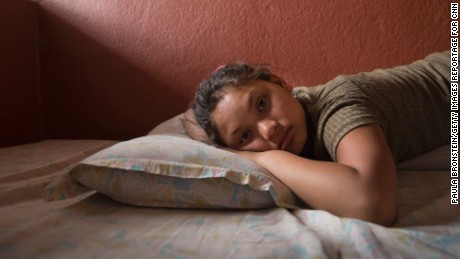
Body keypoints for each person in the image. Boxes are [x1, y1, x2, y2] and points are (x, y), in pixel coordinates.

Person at [188, 51, 450, 226]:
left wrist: (266, 155)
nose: (269, 129)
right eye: (245, 135)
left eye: (261, 104)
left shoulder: (338, 104)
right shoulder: (298, 125)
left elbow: (373, 204)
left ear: (280, 83)